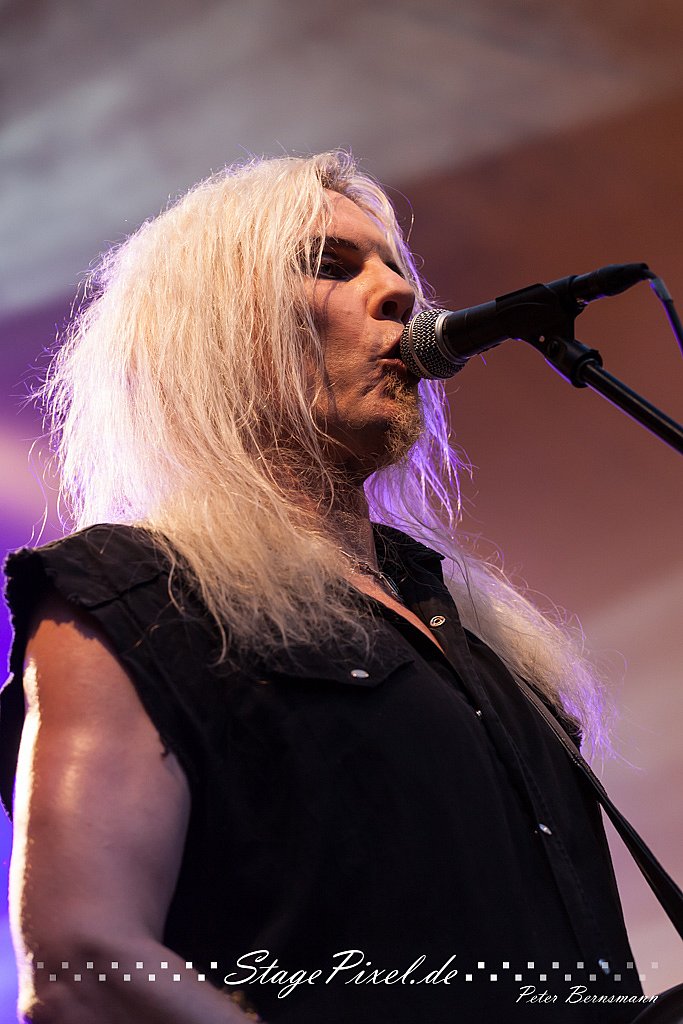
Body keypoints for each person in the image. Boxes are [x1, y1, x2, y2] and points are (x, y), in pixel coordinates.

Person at [1, 151, 650, 1023]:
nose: (401, 293)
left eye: (393, 266)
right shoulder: (139, 595)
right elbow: (84, 968)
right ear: (213, 331)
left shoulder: (482, 639)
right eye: (330, 266)